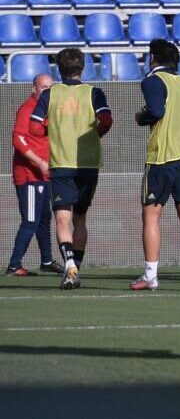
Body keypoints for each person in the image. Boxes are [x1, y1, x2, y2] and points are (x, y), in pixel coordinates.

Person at [30, 49, 112, 289]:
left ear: (59, 68)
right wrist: (95, 133)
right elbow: (106, 120)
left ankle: (69, 266)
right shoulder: (94, 93)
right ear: (82, 68)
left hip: (61, 162)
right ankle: (76, 267)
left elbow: (34, 128)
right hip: (88, 163)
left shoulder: (50, 94)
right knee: (80, 218)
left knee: (62, 217)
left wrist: (53, 131)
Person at [130, 39, 180, 291]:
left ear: (152, 58)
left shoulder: (152, 81)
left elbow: (156, 111)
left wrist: (141, 117)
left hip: (163, 155)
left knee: (151, 214)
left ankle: (150, 274)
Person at [7, 74, 64, 276]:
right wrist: (39, 162)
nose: (47, 90)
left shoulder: (48, 109)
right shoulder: (27, 109)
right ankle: (14, 265)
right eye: (43, 87)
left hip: (44, 175)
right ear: (34, 89)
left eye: (51, 87)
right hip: (29, 175)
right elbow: (18, 139)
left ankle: (47, 260)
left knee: (43, 219)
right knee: (30, 220)